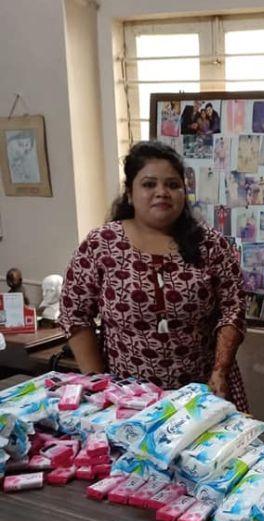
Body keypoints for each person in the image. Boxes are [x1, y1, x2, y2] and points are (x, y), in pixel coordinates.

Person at [59, 141, 248, 411]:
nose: (162, 192)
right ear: (129, 193)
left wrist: (220, 371)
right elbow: (74, 313)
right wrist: (100, 383)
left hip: (203, 396)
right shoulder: (102, 244)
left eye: (172, 185)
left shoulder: (210, 244)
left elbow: (234, 309)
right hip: (126, 400)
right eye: (149, 184)